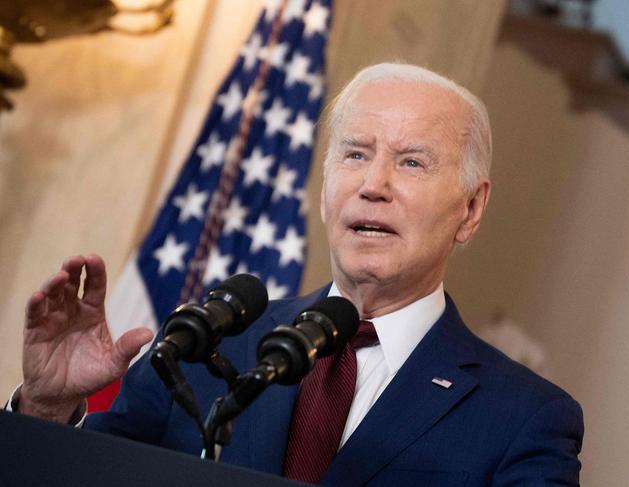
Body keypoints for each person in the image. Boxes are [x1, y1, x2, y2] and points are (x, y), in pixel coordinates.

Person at [10, 63, 583, 485]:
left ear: (471, 209)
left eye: (411, 162)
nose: (373, 184)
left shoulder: (524, 420)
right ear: (324, 187)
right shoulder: (202, 345)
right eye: (355, 154)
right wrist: (46, 409)